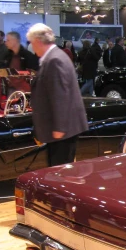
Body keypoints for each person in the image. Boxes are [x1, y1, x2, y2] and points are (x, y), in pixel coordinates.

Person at [26, 23, 88, 167]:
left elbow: (60, 96)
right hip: (60, 131)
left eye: (32, 43)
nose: (32, 47)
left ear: (38, 41)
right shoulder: (54, 57)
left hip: (62, 132)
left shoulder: (54, 60)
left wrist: (60, 128)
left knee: (60, 174)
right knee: (59, 172)